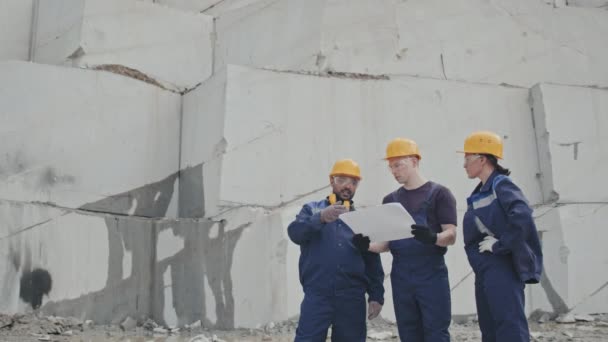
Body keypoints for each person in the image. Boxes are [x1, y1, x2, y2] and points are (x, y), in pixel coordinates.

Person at [367, 138, 457, 342]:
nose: (394, 171)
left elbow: (451, 235)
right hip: (401, 277)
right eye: (391, 167)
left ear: (415, 161)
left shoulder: (440, 194)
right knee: (408, 334)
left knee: (436, 333)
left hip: (431, 275)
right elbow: (386, 244)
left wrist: (433, 237)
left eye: (398, 165)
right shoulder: (389, 200)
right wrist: (367, 246)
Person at [288, 159, 385, 342]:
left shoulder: (362, 219)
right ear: (332, 181)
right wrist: (321, 218)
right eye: (342, 180)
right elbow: (295, 233)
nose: (348, 186)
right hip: (318, 295)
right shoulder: (312, 209)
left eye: (353, 182)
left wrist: (376, 295)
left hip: (352, 297)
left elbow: (372, 259)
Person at [459, 131, 543, 342]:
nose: (464, 165)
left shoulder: (501, 184)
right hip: (486, 266)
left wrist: (500, 245)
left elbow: (522, 216)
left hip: (502, 263)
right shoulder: (481, 191)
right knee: (489, 326)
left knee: (509, 324)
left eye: (467, 159)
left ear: (482, 159)